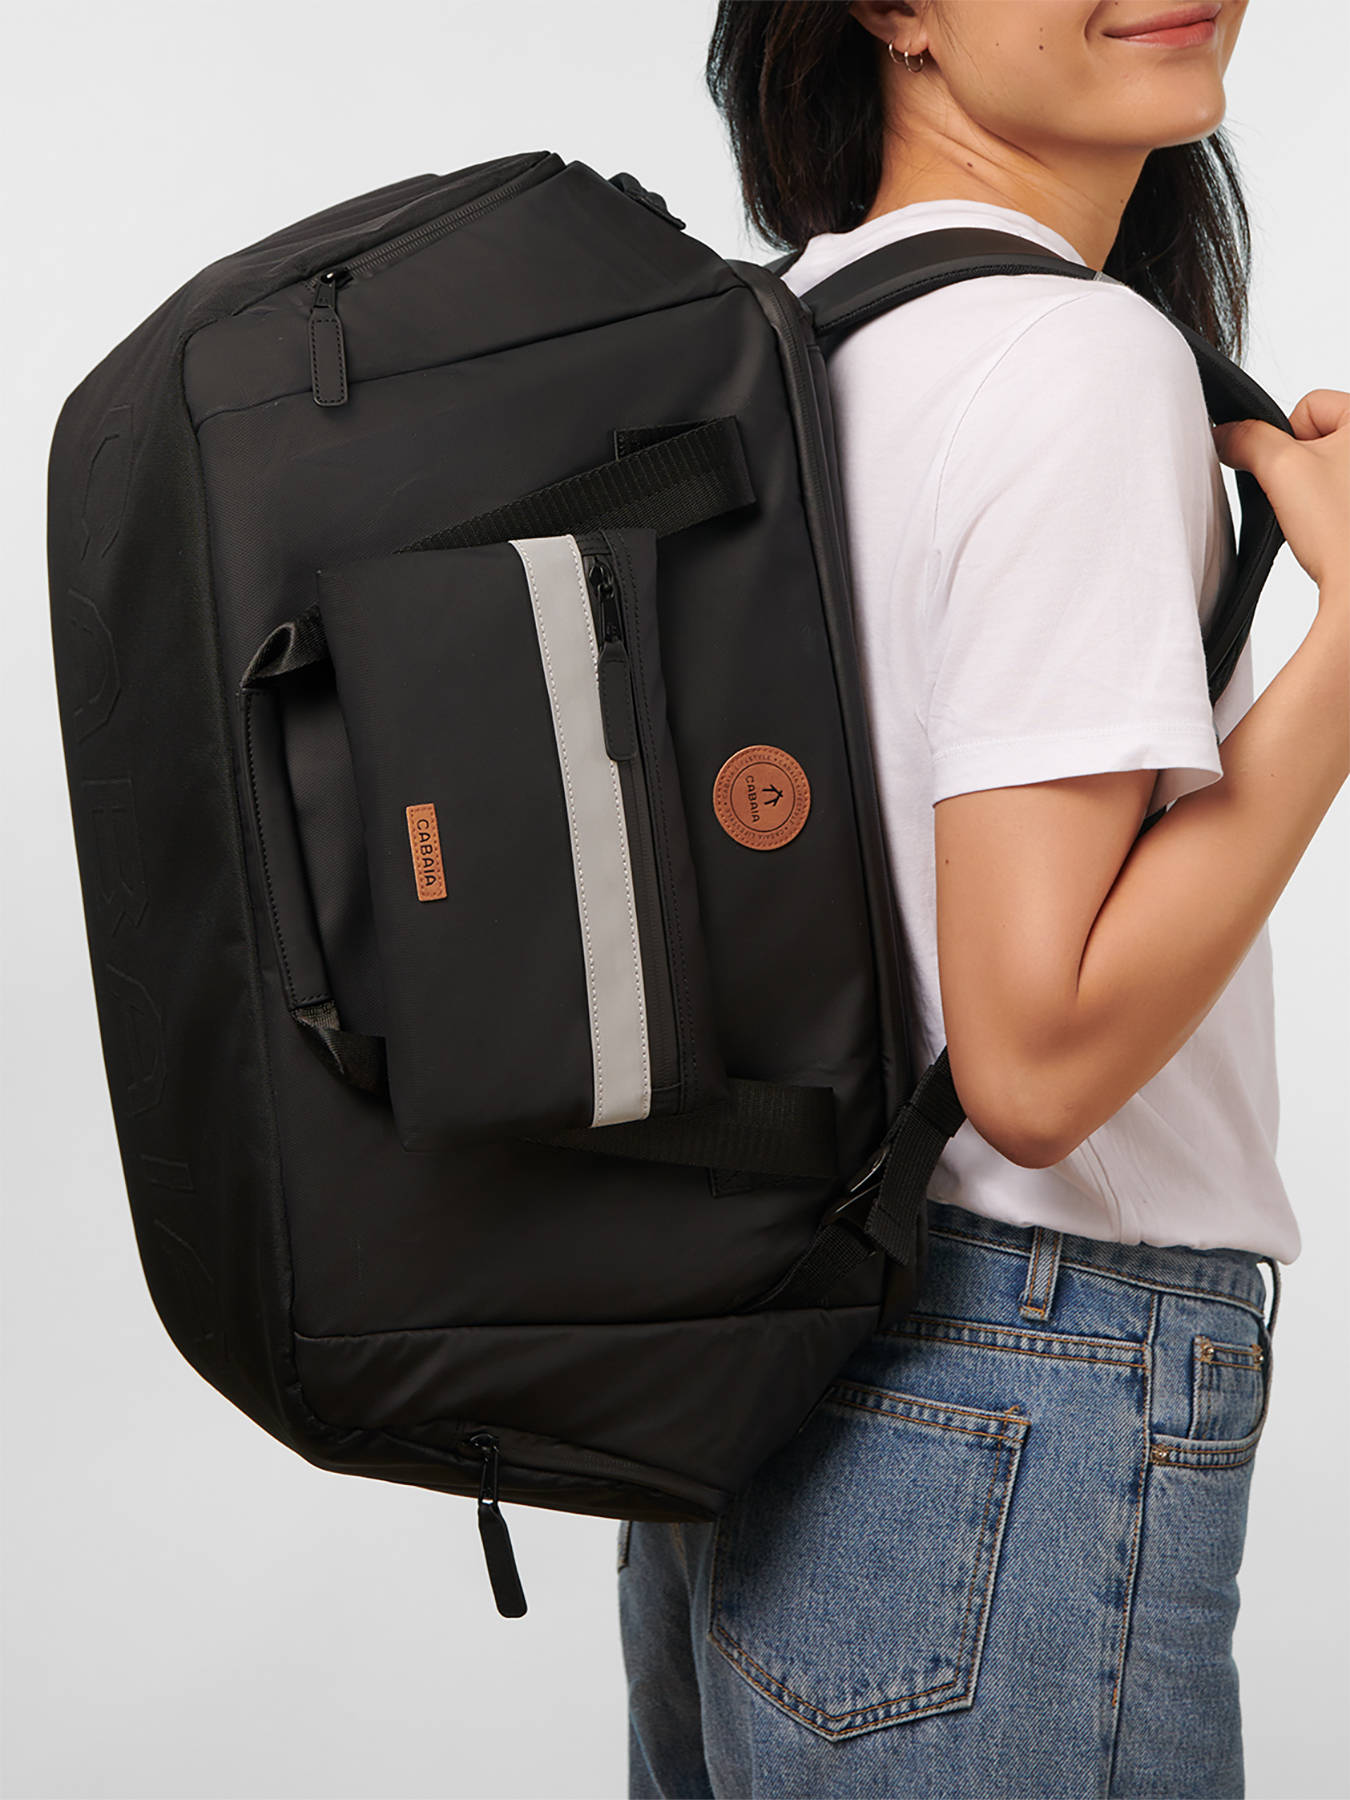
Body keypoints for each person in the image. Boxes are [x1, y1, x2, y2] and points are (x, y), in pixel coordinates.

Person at [617, 3, 1349, 1796]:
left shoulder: (785, 345)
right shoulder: (1071, 359)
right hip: (1014, 1381)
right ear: (891, 12)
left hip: (747, 1369)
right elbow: (1031, 1061)